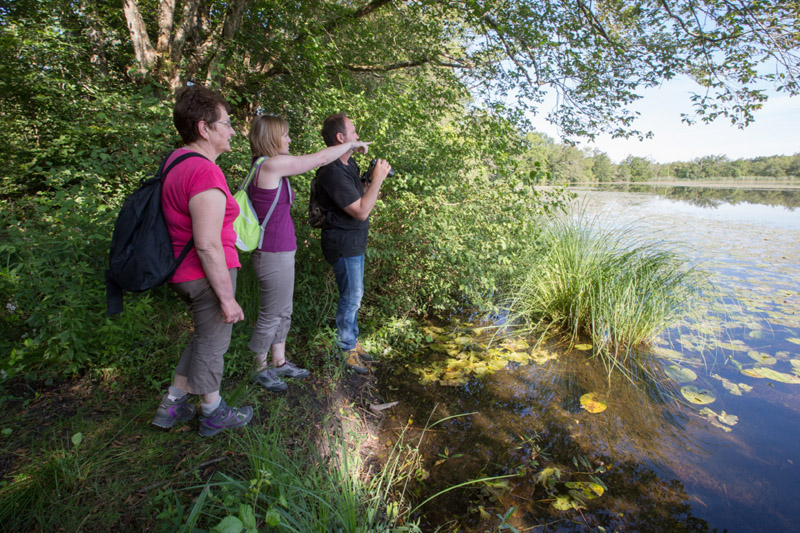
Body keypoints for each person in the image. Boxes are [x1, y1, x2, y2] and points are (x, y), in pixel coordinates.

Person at [151, 85, 253, 437]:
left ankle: (171, 405)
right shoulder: (204, 172)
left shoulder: (175, 161)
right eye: (225, 123)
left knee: (202, 338)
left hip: (181, 271)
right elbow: (207, 244)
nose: (232, 130)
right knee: (213, 345)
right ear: (204, 128)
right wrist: (227, 297)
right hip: (205, 273)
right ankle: (212, 413)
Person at [246, 115, 372, 391]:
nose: (289, 139)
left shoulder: (272, 167)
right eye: (286, 135)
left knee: (284, 310)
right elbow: (317, 159)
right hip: (271, 252)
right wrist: (354, 144)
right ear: (271, 138)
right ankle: (258, 367)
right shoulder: (269, 165)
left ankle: (279, 361)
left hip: (282, 250)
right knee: (271, 313)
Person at [315, 113, 391, 374]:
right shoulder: (332, 172)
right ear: (341, 138)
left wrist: (370, 179)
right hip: (342, 244)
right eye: (354, 132)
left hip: (354, 243)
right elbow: (361, 211)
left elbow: (361, 196)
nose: (357, 137)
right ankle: (346, 349)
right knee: (351, 297)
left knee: (354, 297)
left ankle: (352, 342)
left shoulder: (348, 166)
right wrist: (379, 179)